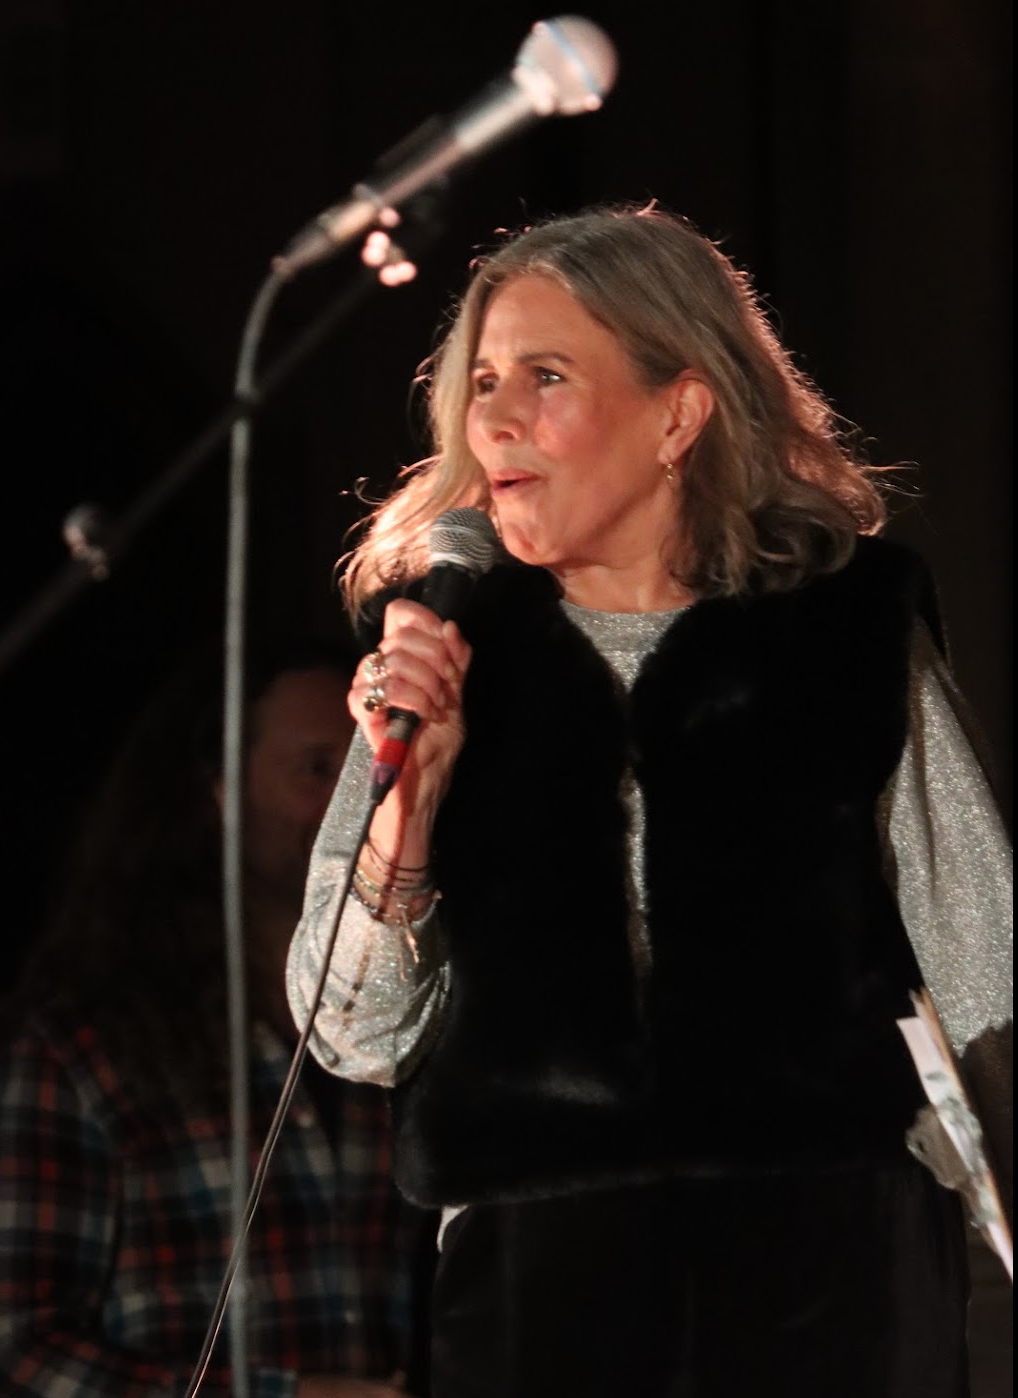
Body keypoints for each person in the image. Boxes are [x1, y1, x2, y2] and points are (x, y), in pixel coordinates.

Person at [285, 205, 1013, 1397]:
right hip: (539, 1290)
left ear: (678, 414)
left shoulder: (846, 631)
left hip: (831, 1278)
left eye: (546, 376)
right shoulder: (443, 652)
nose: (495, 419)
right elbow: (353, 1037)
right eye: (482, 382)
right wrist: (407, 808)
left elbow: (987, 978)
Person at [0, 635, 437, 1397]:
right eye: (316, 769)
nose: (356, 797)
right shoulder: (86, 1050)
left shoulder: (414, 1017)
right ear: (218, 795)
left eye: (366, 762)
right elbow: (17, 1344)